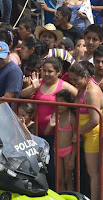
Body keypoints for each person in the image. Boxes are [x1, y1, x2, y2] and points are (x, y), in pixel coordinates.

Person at [20, 57, 78, 189]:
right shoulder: (39, 83)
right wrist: (33, 88)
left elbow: (79, 98)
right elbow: (22, 94)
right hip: (38, 132)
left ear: (58, 72)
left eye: (50, 71)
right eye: (44, 71)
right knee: (37, 166)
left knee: (52, 169)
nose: (46, 74)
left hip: (55, 134)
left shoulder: (64, 85)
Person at [68, 61, 103, 200]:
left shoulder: (92, 91)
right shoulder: (83, 88)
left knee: (93, 172)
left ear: (84, 76)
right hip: (84, 133)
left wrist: (78, 132)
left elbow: (95, 120)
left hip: (93, 134)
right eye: (71, 79)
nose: (73, 82)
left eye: (75, 80)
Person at [44, 89, 77, 191]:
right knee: (60, 180)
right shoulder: (55, 115)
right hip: (56, 150)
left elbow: (76, 139)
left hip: (68, 151)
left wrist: (72, 158)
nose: (60, 105)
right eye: (58, 102)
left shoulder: (71, 117)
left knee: (68, 180)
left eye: (63, 102)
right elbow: (45, 133)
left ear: (68, 103)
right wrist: (51, 124)